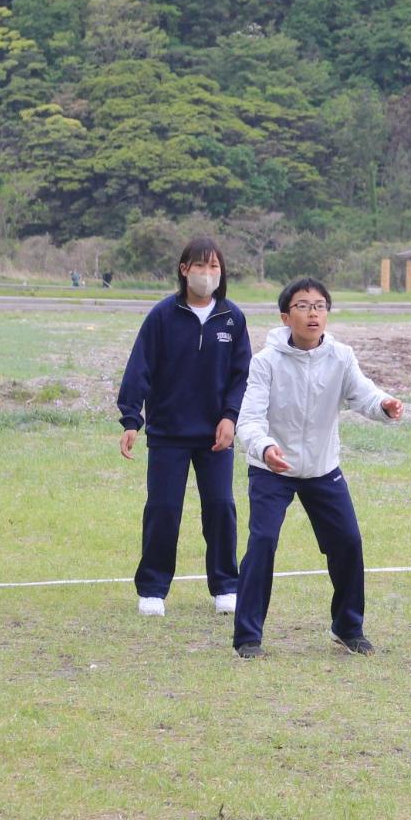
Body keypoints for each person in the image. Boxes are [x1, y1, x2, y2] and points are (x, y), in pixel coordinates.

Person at [232, 277, 403, 658]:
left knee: (348, 542)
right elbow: (249, 420)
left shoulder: (340, 356)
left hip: (323, 469)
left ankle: (348, 627)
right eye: (304, 306)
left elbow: (363, 393)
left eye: (320, 306)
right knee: (262, 542)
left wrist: (384, 406)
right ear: (285, 316)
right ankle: (247, 637)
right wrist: (266, 447)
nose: (313, 313)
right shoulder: (265, 363)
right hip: (271, 468)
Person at [118, 237, 252, 617]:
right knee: (163, 510)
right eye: (200, 266)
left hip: (215, 436)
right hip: (167, 434)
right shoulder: (162, 316)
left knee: (221, 508)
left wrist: (230, 417)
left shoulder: (232, 318)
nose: (207, 274)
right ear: (184, 270)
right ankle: (153, 590)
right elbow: (139, 368)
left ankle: (226, 586)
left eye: (214, 267)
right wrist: (132, 419)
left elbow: (242, 376)